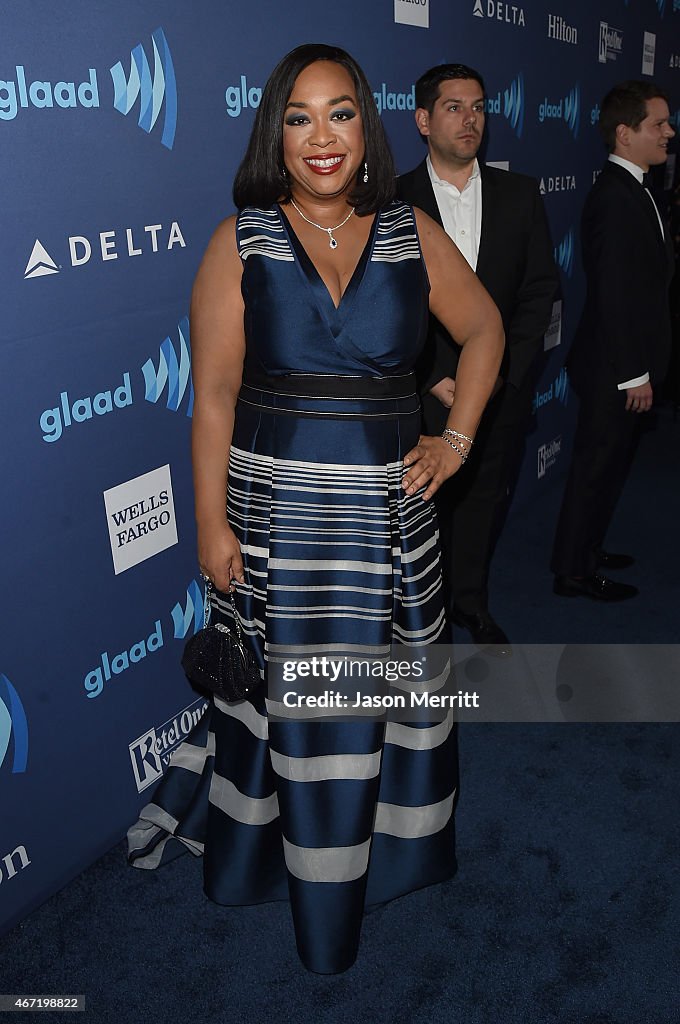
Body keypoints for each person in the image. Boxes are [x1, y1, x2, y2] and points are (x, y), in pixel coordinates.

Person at [127, 44, 503, 974]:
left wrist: (453, 444)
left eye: (340, 113)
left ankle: (383, 856)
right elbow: (212, 394)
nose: (322, 136)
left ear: (365, 129)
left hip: (386, 517)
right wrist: (211, 524)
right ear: (276, 134)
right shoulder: (239, 240)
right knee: (280, 702)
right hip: (276, 518)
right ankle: (269, 861)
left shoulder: (412, 231)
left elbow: (488, 326)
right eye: (300, 117)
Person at [397, 64, 557, 652]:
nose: (471, 119)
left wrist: (495, 376)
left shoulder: (521, 195)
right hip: (422, 396)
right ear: (422, 120)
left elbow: (539, 291)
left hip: (498, 393)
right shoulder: (391, 201)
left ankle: (472, 605)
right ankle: (420, 621)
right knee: (417, 511)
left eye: (479, 107)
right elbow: (382, 308)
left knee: (484, 504)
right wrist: (435, 375)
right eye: (454, 107)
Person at [551, 81, 675, 600]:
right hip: (614, 370)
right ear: (625, 135)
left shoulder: (637, 189)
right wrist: (635, 373)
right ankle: (572, 574)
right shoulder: (614, 199)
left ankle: (588, 550)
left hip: (625, 364)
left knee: (610, 469)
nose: (670, 132)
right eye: (659, 125)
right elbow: (614, 293)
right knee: (594, 472)